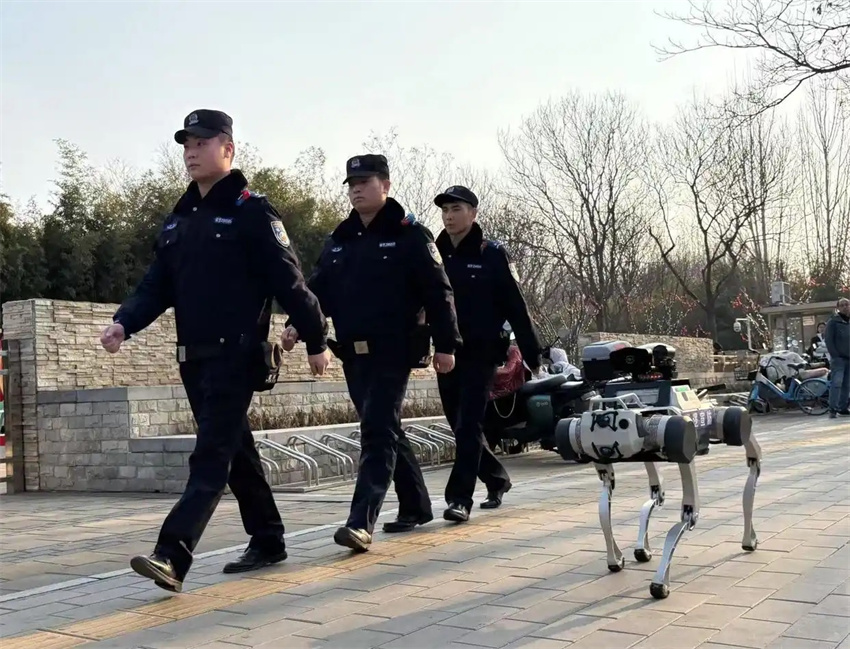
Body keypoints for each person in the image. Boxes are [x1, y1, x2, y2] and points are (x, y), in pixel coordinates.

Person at [101, 109, 330, 592]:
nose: (191, 151)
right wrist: (124, 322)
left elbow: (289, 283)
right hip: (193, 357)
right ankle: (268, 537)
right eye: (186, 143)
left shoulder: (252, 212)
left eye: (203, 142)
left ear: (228, 148)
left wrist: (315, 339)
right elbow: (155, 284)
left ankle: (172, 553)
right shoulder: (180, 218)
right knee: (236, 452)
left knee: (209, 457)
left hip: (236, 355)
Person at [282, 154, 461, 552]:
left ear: (386, 185)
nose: (356, 189)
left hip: (393, 350)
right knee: (385, 428)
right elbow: (318, 290)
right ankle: (416, 505)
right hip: (353, 353)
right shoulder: (341, 238)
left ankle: (360, 521)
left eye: (365, 181)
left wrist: (447, 345)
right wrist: (299, 323)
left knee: (376, 431)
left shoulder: (410, 235)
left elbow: (439, 293)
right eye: (351, 183)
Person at [432, 185, 545, 522]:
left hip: (481, 354)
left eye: (456, 209)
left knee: (469, 423)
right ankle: (496, 478)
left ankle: (459, 500)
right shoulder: (434, 253)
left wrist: (531, 353)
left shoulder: (491, 253)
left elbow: (517, 306)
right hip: (446, 352)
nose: (449, 217)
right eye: (445, 211)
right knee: (459, 425)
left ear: (473, 213)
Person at [825, 297, 850, 418]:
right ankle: (833, 408)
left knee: (847, 384)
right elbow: (829, 340)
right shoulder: (833, 322)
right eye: (842, 305)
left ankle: (843, 407)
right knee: (837, 383)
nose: (845, 307)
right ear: (838, 308)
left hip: (849, 358)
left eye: (847, 304)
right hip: (838, 359)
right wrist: (835, 355)